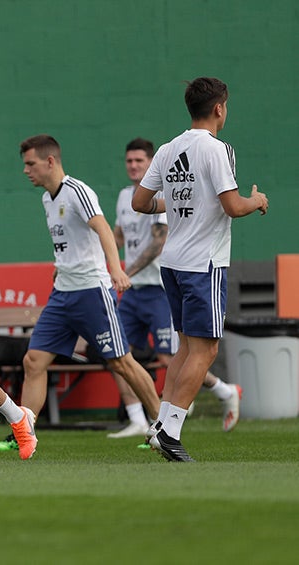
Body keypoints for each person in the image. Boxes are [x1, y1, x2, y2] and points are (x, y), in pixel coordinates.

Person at [0, 134, 160, 458]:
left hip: (92, 292)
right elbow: (70, 242)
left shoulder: (78, 191)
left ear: (50, 161)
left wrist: (116, 270)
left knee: (122, 363)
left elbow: (104, 230)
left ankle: (163, 427)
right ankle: (24, 434)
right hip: (63, 293)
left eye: (31, 164)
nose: (26, 171)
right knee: (33, 360)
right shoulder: (46, 199)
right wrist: (61, 266)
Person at [132, 77, 268, 461]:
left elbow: (141, 203)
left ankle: (159, 425)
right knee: (206, 351)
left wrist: (176, 204)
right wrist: (256, 199)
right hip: (203, 264)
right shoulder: (217, 149)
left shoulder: (168, 148)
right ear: (220, 108)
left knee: (186, 349)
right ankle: (170, 432)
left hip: (172, 263)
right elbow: (232, 206)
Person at [109, 137, 242, 440]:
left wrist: (123, 272)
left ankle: (220, 392)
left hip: (159, 284)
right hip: (133, 290)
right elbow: (120, 236)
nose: (133, 166)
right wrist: (104, 257)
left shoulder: (167, 193)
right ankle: (139, 420)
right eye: (129, 161)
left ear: (150, 161)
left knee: (177, 355)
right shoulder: (124, 197)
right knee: (119, 355)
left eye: (139, 161)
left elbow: (158, 242)